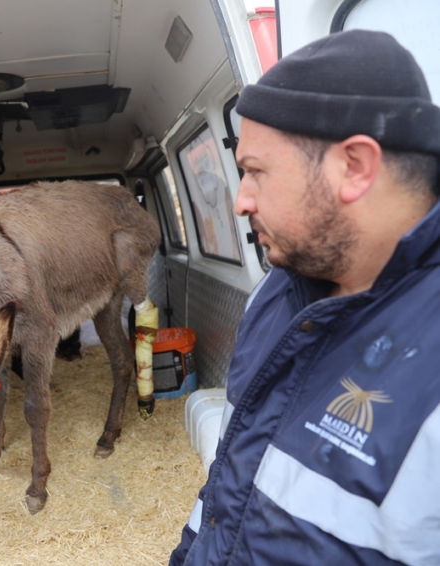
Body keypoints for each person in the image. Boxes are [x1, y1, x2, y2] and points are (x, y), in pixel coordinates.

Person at [170, 29, 440, 565]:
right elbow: (229, 490)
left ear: (355, 167)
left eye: (255, 173)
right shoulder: (275, 295)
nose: (241, 202)